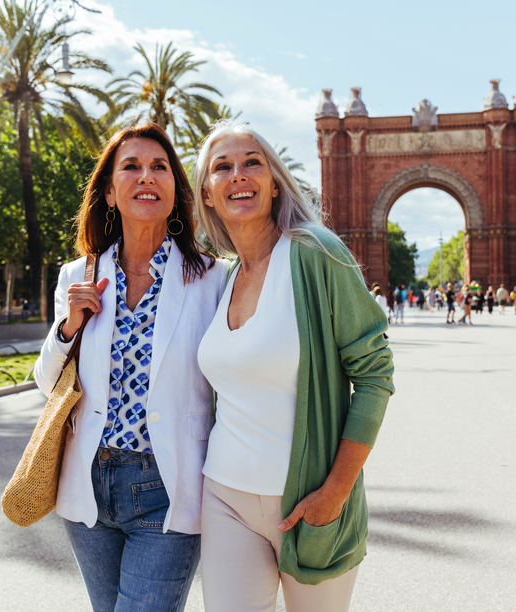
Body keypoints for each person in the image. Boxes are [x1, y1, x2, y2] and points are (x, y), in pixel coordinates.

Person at [193, 120, 394, 612]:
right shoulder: (221, 279)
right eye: (223, 167)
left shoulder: (316, 253)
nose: (238, 175)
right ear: (208, 194)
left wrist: (337, 490)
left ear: (274, 182)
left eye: (252, 163)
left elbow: (374, 374)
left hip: (309, 504)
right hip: (224, 498)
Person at [32, 123, 227, 612]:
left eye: (159, 167)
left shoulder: (212, 278)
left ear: (175, 190)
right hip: (88, 487)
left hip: (168, 487)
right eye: (132, 167)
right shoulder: (79, 275)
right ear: (110, 192)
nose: (147, 176)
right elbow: (46, 382)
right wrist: (67, 329)